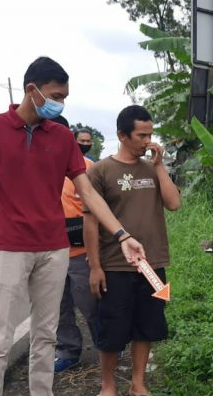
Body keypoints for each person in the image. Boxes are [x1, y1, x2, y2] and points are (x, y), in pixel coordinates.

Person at [0, 56, 146, 396]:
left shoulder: (61, 137)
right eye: (56, 96)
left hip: (54, 249)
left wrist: (122, 235)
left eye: (64, 97)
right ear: (31, 90)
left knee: (46, 335)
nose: (60, 103)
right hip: (7, 248)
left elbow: (87, 192)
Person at [84, 105, 181, 396]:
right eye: (141, 135)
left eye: (150, 134)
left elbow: (174, 204)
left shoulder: (152, 169)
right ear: (122, 135)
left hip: (153, 265)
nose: (147, 141)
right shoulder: (100, 171)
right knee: (112, 328)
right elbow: (90, 222)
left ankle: (138, 383)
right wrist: (95, 267)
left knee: (148, 325)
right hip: (115, 265)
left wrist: (159, 166)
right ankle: (108, 385)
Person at [48, 117, 98, 373]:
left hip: (80, 251)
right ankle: (68, 351)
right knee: (58, 306)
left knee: (90, 302)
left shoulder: (86, 167)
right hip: (47, 252)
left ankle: (107, 344)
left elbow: (101, 207)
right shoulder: (29, 165)